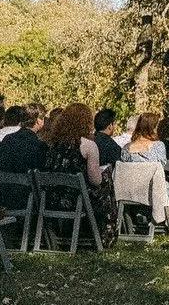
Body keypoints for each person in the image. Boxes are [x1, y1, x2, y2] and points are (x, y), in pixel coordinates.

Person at [43, 102, 117, 247]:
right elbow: (95, 180)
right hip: (77, 200)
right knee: (106, 179)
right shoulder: (88, 146)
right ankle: (106, 234)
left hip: (53, 198)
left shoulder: (51, 144)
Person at [123, 111, 169, 222]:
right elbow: (161, 167)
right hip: (154, 188)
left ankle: (143, 215)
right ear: (153, 128)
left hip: (131, 190)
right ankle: (164, 223)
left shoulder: (126, 148)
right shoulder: (158, 146)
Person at [0, 103, 47, 174]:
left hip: (6, 183)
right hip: (28, 184)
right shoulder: (40, 146)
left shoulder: (8, 139)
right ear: (39, 120)